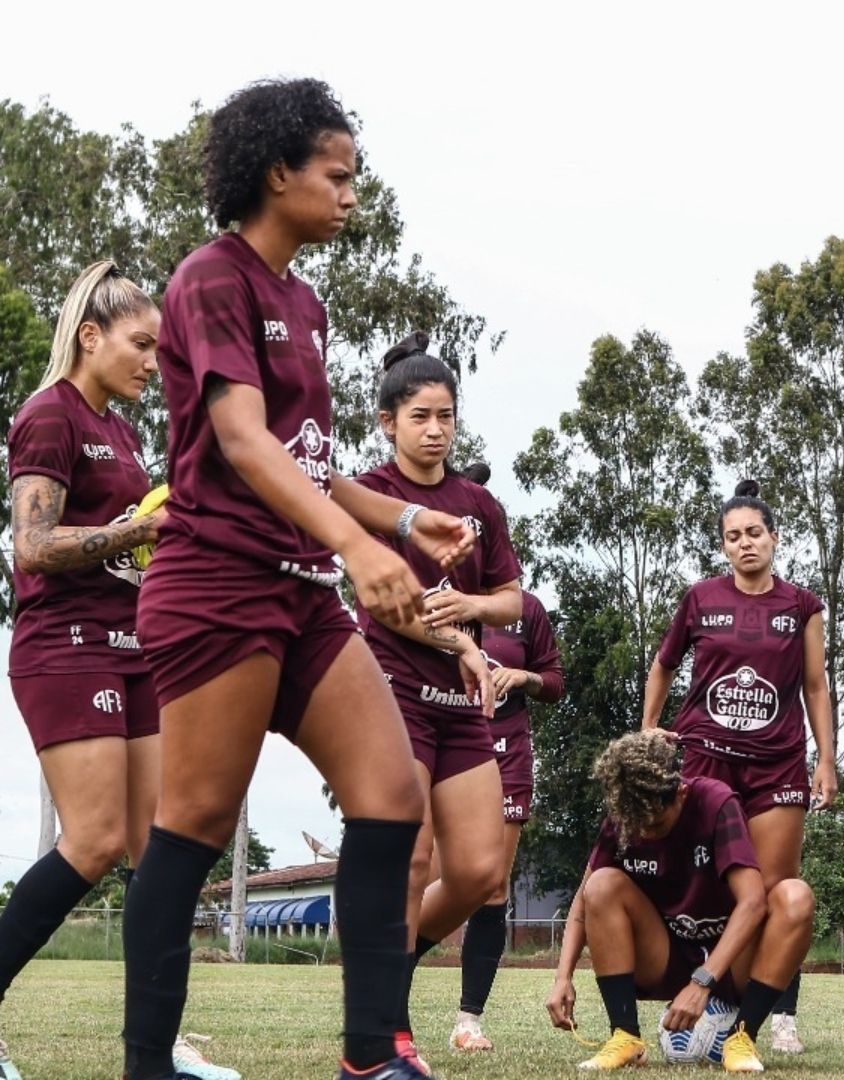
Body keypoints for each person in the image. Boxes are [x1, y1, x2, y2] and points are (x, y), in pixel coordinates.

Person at [118, 78, 476, 1080]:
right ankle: (147, 1064)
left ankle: (373, 1058)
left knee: (392, 792)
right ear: (279, 174)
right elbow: (239, 441)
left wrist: (400, 519)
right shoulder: (210, 278)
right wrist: (361, 554)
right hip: (216, 582)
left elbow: (307, 463)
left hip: (299, 591)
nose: (353, 192)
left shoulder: (305, 300)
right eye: (338, 174)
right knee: (189, 827)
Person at [0, 263, 237, 1080]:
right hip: (64, 644)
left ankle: (157, 1052)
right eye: (142, 344)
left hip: (134, 646)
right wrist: (134, 531)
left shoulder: (125, 430)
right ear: (92, 337)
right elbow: (32, 547)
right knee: (97, 838)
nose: (152, 361)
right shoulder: (48, 416)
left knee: (157, 846)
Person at [353, 334, 524, 1068]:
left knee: (483, 870)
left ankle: (389, 968)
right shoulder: (367, 491)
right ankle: (389, 1031)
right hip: (391, 689)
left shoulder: (478, 502)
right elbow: (381, 600)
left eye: (447, 415)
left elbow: (513, 602)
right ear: (389, 421)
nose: (436, 428)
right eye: (421, 415)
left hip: (461, 708)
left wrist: (472, 606)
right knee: (412, 857)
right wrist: (459, 640)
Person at [643, 479, 837, 1054]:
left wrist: (825, 759)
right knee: (714, 887)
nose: (745, 544)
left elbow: (814, 685)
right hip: (704, 760)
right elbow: (663, 665)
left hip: (777, 767)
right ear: (723, 546)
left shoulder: (802, 605)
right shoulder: (701, 597)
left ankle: (772, 1019)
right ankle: (715, 997)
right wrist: (649, 727)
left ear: (775, 538)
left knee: (776, 890)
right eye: (733, 537)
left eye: (754, 533)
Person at [545, 730, 817, 1074]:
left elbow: (752, 902)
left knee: (796, 896)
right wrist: (562, 977)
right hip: (665, 956)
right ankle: (625, 1035)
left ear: (681, 793)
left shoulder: (715, 802)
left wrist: (703, 981)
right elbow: (583, 907)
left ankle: (742, 1037)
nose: (645, 834)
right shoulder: (626, 816)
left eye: (656, 824)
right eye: (637, 826)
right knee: (600, 885)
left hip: (732, 960)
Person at [445, 480, 565, 1052]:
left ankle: (469, 1020)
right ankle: (386, 1016)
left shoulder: (526, 610)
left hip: (506, 753)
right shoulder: (433, 597)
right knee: (422, 878)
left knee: (492, 885)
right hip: (439, 746)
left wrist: (526, 678)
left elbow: (557, 682)